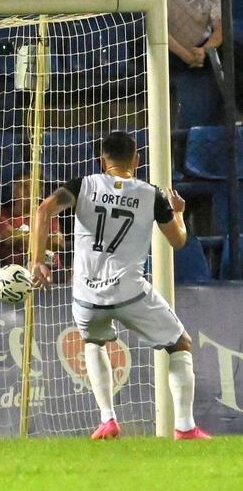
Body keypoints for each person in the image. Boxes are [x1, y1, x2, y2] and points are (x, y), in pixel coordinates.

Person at [30, 131, 211, 441]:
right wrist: (178, 213)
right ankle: (184, 426)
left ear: (103, 161)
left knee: (92, 342)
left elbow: (43, 209)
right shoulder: (150, 194)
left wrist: (37, 261)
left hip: (86, 294)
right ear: (136, 160)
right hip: (129, 291)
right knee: (179, 343)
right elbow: (178, 241)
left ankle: (107, 419)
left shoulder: (83, 185)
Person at [153, 0, 223, 128]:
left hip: (202, 49)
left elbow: (219, 30)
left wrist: (203, 51)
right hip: (172, 50)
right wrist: (185, 54)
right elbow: (160, 30)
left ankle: (224, 116)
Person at [0, 171, 65, 273]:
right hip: (14, 277)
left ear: (40, 192)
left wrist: (21, 237)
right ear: (14, 190)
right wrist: (44, 242)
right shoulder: (1, 217)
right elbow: (10, 238)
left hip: (51, 274)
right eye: (24, 185)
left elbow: (58, 243)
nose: (29, 190)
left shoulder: (48, 215)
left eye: (33, 186)